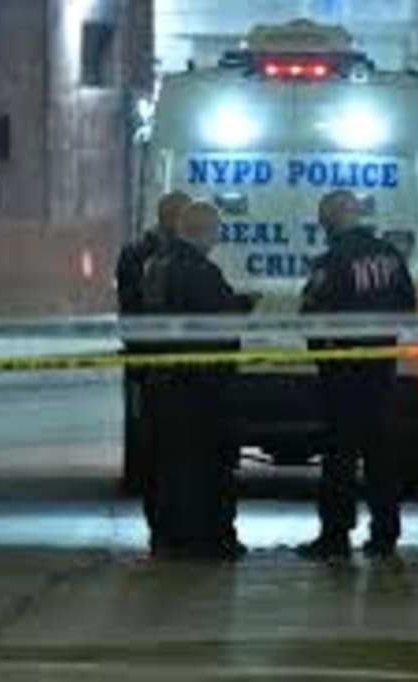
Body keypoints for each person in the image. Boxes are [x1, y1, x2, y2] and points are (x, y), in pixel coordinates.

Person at [297, 190, 417, 561]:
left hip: (342, 374)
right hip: (381, 371)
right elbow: (408, 308)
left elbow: (310, 314)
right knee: (383, 456)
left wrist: (323, 351)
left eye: (324, 220)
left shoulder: (332, 261)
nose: (322, 227)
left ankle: (335, 536)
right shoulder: (390, 256)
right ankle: (385, 535)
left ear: (332, 219)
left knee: (340, 457)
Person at [142, 201, 253, 561]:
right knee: (209, 464)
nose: (218, 238)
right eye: (216, 230)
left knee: (167, 465)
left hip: (163, 381)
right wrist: (241, 308)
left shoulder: (156, 267)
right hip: (202, 386)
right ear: (205, 232)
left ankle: (167, 536)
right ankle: (209, 539)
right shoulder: (202, 271)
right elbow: (218, 324)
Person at [116, 190, 190, 555]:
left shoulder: (139, 254)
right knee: (164, 453)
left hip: (152, 364)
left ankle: (166, 529)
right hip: (158, 367)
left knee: (160, 451)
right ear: (173, 219)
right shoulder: (150, 258)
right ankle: (167, 529)